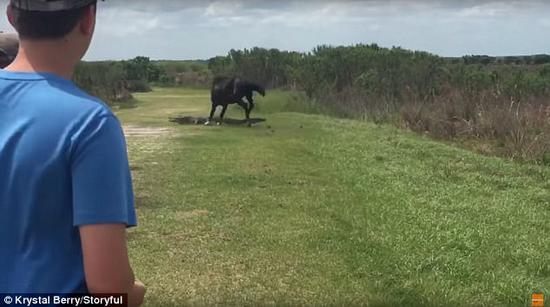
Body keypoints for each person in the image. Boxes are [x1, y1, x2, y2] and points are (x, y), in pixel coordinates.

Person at [0, 0, 146, 305]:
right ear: (88, 20)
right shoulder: (91, 124)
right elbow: (109, 290)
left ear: (12, 15)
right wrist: (134, 293)